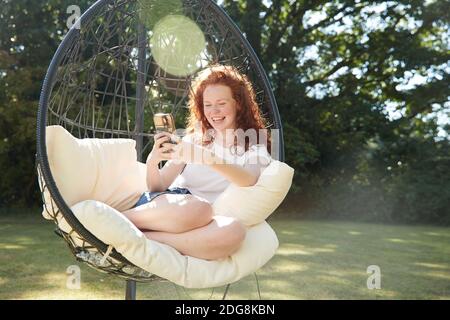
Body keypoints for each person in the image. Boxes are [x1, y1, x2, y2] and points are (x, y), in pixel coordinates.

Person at [122, 65, 272, 260]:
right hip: (168, 208)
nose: (214, 111)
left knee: (234, 231)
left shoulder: (254, 144)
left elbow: (249, 179)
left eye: (221, 103)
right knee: (199, 208)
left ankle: (148, 238)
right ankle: (116, 218)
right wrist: (152, 161)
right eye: (208, 104)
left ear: (239, 104)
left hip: (202, 222)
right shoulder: (195, 139)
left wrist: (205, 157)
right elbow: (158, 187)